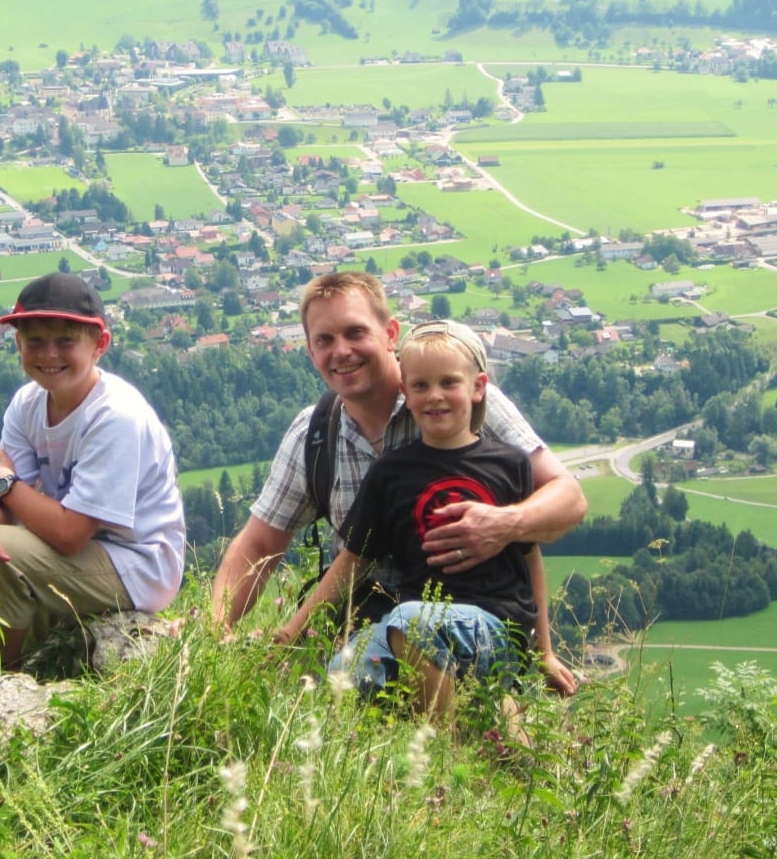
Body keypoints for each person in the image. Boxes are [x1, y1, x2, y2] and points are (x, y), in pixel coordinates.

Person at [210, 271, 585, 647]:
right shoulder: (315, 434)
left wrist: (505, 524)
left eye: (355, 333)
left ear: (390, 334)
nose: (341, 351)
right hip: (364, 633)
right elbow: (260, 545)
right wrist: (214, 631)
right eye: (325, 340)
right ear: (311, 352)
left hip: (473, 625)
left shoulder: (457, 402)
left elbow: (568, 497)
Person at [275, 320, 573, 717]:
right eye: (421, 385)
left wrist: (545, 653)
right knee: (339, 678)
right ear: (406, 393)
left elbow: (529, 556)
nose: (435, 396)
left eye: (449, 383)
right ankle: (492, 718)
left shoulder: (509, 464)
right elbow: (353, 560)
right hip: (417, 624)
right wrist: (291, 632)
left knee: (411, 623)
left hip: (497, 625)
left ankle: (443, 749)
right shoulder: (390, 474)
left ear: (478, 387)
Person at [0, 272, 185, 669]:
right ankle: (23, 660)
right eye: (35, 341)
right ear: (18, 344)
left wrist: (3, 484)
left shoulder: (115, 415)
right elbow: (9, 502)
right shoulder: (27, 404)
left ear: (100, 345)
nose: (49, 354)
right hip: (87, 551)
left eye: (66, 341)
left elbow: (68, 533)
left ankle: (0, 675)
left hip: (138, 563)